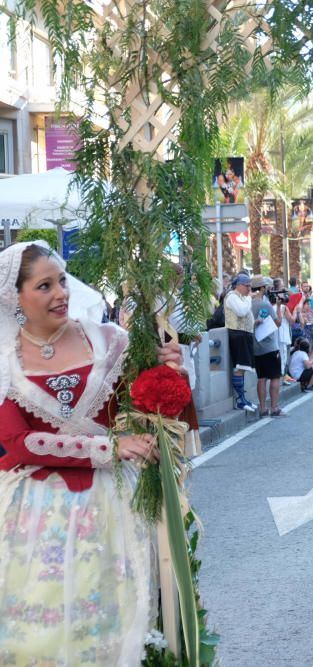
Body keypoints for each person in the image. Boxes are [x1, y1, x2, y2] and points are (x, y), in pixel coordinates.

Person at [0, 241, 181, 663]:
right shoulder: (5, 363)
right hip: (34, 512)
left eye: (62, 281)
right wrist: (109, 447)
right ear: (15, 297)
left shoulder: (109, 340)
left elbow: (149, 410)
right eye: (44, 286)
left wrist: (168, 372)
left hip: (112, 503)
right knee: (32, 633)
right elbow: (17, 442)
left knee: (112, 623)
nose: (61, 293)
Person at [251, 275, 284, 416]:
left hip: (255, 346)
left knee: (261, 378)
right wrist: (278, 307)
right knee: (275, 377)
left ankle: (263, 408)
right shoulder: (264, 305)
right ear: (262, 288)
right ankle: (275, 407)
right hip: (270, 346)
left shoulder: (248, 303)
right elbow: (278, 323)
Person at [225, 273, 258, 411]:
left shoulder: (242, 297)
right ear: (238, 285)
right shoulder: (232, 296)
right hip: (237, 334)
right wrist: (249, 299)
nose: (249, 289)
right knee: (240, 368)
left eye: (250, 286)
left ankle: (242, 398)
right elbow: (241, 311)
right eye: (247, 286)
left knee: (243, 368)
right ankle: (239, 400)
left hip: (244, 335)